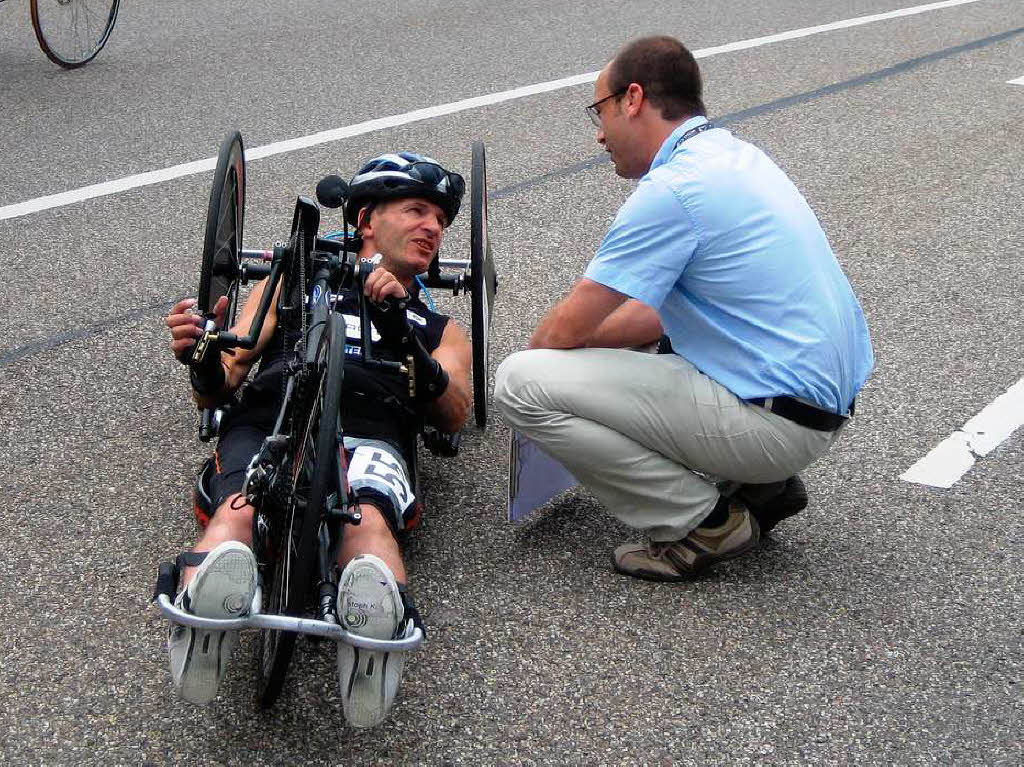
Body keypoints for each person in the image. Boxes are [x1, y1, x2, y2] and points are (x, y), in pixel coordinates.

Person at [494, 36, 873, 583]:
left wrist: (558, 376)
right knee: (657, 345)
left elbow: (564, 330)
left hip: (775, 425)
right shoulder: (736, 156)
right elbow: (656, 320)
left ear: (633, 99)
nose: (599, 134)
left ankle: (704, 522)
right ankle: (759, 486)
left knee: (519, 382)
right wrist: (596, 362)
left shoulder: (674, 189)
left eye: (597, 111)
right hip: (815, 411)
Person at [162, 151, 471, 725]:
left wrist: (404, 335)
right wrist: (202, 356)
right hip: (272, 416)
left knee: (369, 521)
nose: (434, 227)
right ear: (365, 222)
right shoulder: (296, 285)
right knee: (237, 513)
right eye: (417, 210)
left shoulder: (440, 327)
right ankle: (206, 617)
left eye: (442, 220)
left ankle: (373, 636)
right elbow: (222, 381)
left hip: (371, 432)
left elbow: (454, 412)